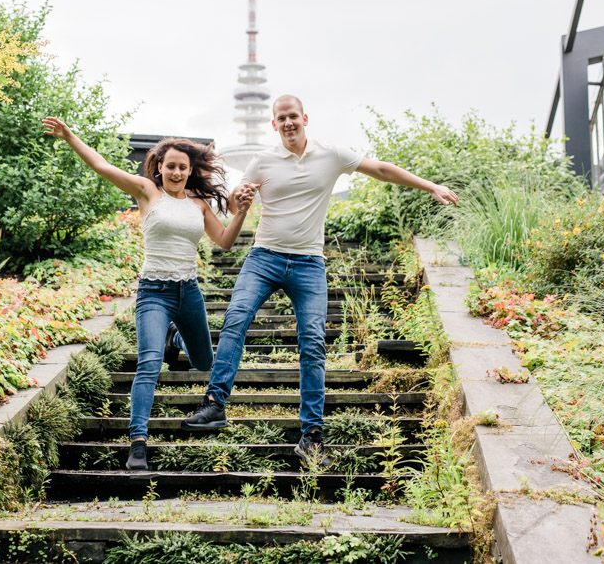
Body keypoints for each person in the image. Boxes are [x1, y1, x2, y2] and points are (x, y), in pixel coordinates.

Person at [180, 95, 458, 462]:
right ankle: (215, 403)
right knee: (235, 318)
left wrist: (430, 186)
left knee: (312, 342)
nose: (288, 123)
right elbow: (235, 204)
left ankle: (311, 435)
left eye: (293, 116)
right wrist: (238, 198)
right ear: (274, 124)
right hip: (264, 257)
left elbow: (380, 169)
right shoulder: (261, 160)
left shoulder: (331, 155)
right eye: (281, 118)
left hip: (309, 264)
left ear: (305, 118)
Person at [41, 117, 256, 470]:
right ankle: (138, 443)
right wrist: (69, 136)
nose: (176, 172)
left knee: (204, 362)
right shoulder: (147, 191)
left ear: (190, 170)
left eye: (182, 167)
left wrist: (242, 213)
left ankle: (175, 336)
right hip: (154, 292)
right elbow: (101, 166)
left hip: (189, 293)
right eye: (170, 166)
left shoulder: (199, 203)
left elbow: (225, 241)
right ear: (159, 167)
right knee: (149, 364)